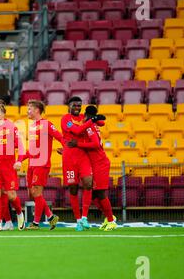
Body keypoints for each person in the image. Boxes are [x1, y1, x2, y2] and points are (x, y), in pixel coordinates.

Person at [15, 100, 63, 230]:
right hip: (31, 164)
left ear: (37, 110)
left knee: (36, 192)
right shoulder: (32, 127)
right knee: (32, 193)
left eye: (29, 109)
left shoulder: (47, 124)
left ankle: (35, 223)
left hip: (42, 164)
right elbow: (31, 150)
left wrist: (65, 149)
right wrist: (20, 159)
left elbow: (61, 137)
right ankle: (51, 216)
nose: (27, 111)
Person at [68, 105, 117, 231]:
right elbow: (101, 122)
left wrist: (77, 144)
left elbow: (95, 143)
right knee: (94, 194)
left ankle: (111, 220)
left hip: (100, 163)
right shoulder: (94, 124)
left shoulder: (90, 126)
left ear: (86, 115)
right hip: (96, 163)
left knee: (100, 193)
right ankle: (109, 216)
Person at [60, 96, 104, 232]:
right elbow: (77, 131)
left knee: (88, 183)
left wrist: (94, 119)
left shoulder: (83, 118)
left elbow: (101, 123)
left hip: (83, 156)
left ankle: (84, 217)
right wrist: (92, 120)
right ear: (69, 106)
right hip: (69, 158)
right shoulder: (65, 119)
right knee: (73, 188)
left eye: (79, 106)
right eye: (74, 105)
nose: (77, 108)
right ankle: (78, 220)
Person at [0, 100, 25, 231]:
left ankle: (20, 213)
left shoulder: (11, 127)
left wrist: (19, 160)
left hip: (8, 165)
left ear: (3, 114)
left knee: (10, 195)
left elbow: (21, 146)